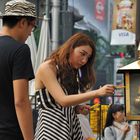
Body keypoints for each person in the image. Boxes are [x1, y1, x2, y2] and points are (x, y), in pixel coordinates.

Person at [34, 32, 115, 140]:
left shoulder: (71, 71)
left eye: (88, 57)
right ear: (70, 48)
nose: (84, 60)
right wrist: (97, 93)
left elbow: (63, 104)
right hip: (50, 131)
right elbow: (62, 100)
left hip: (69, 130)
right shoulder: (48, 67)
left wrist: (76, 108)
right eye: (82, 53)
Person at [0, 0, 36, 140]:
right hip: (10, 132)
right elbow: (20, 101)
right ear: (22, 22)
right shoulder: (20, 50)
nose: (30, 34)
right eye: (32, 27)